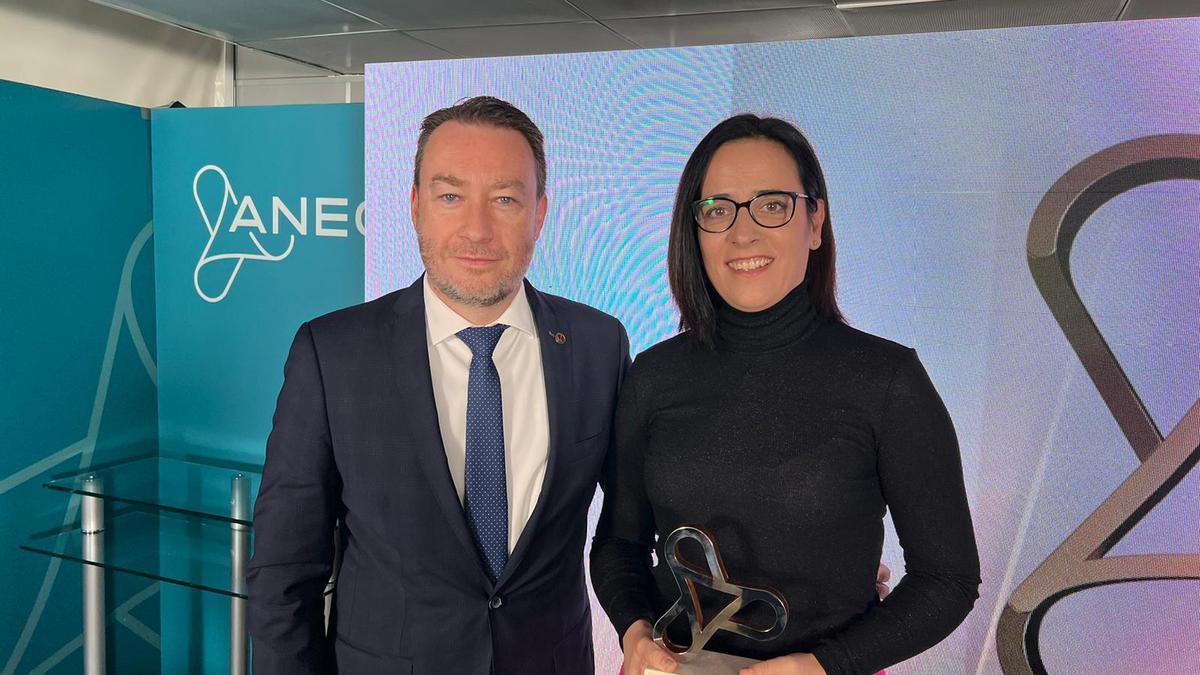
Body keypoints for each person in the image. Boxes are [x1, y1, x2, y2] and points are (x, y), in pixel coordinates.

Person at [247, 96, 630, 674]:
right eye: (451, 196)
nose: (477, 229)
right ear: (415, 206)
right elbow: (284, 571)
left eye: (505, 199)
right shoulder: (332, 354)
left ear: (540, 213)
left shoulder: (598, 346)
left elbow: (628, 528)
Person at [590, 114, 981, 675]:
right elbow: (619, 546)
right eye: (718, 210)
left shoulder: (888, 381)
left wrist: (826, 665)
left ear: (815, 222)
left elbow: (948, 581)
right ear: (694, 231)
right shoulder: (652, 377)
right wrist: (633, 631)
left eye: (772, 205)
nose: (742, 233)